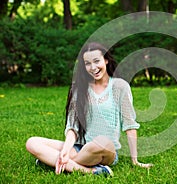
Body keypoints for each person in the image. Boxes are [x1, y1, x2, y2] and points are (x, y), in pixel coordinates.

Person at [26, 42, 153, 176]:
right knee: (32, 142)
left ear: (106, 60)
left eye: (97, 61)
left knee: (100, 141)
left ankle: (52, 161)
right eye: (87, 63)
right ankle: (92, 171)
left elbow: (130, 125)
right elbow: (72, 126)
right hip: (80, 147)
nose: (93, 67)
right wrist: (66, 149)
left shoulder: (120, 87)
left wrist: (135, 160)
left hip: (106, 149)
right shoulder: (80, 88)